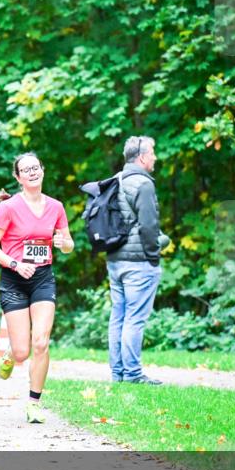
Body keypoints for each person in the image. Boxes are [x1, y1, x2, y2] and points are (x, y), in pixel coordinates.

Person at [0, 152, 74, 424]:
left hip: (43, 277)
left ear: (42, 171)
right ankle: (11, 353)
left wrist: (63, 244)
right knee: (23, 351)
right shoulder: (9, 207)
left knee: (41, 341)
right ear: (18, 177)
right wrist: (14, 263)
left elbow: (68, 244)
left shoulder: (56, 207)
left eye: (36, 167)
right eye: (26, 169)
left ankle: (34, 403)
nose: (32, 172)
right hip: (14, 279)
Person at [107, 135, 170, 385]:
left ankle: (118, 374)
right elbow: (148, 227)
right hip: (138, 263)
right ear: (142, 156)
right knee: (135, 319)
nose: (155, 157)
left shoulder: (115, 181)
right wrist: (154, 255)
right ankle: (133, 374)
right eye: (152, 152)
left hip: (114, 261)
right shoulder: (143, 184)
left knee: (118, 317)